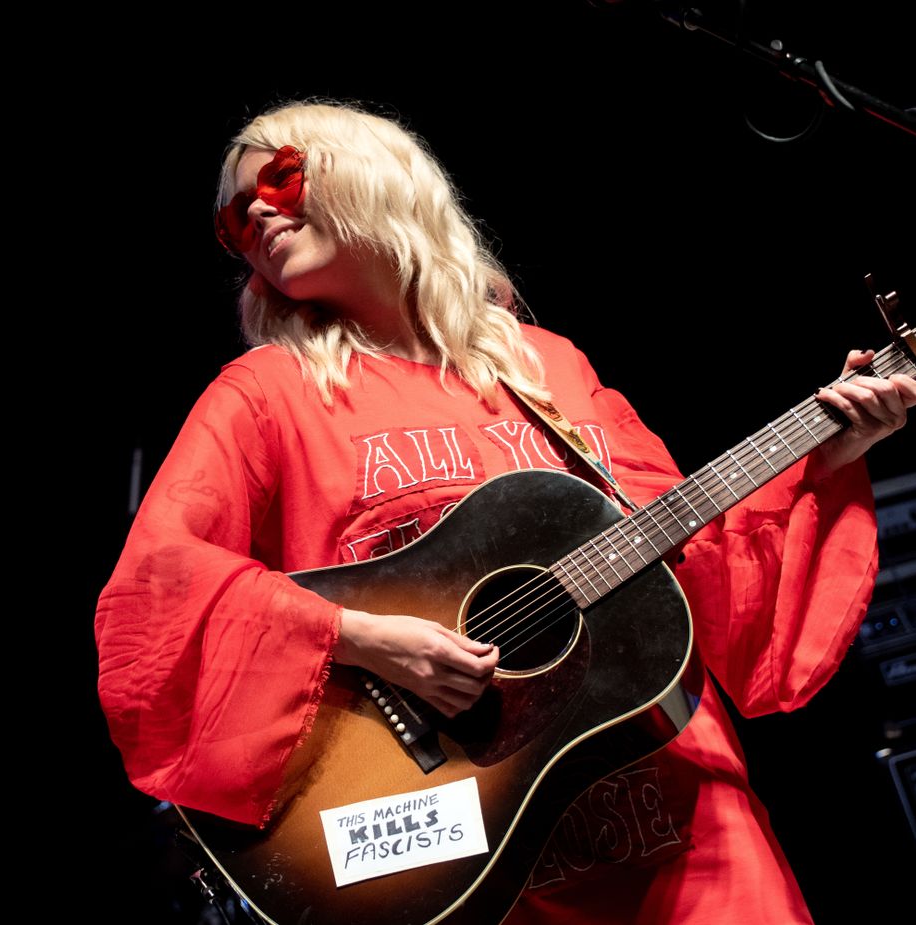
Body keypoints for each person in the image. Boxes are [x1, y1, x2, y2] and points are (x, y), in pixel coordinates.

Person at [95, 100, 915, 924]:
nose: (258, 213)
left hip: (685, 831)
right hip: (465, 856)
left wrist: (822, 453)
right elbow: (158, 593)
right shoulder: (264, 395)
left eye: (278, 178)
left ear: (376, 173)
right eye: (234, 218)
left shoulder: (546, 366)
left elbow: (696, 570)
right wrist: (362, 638)